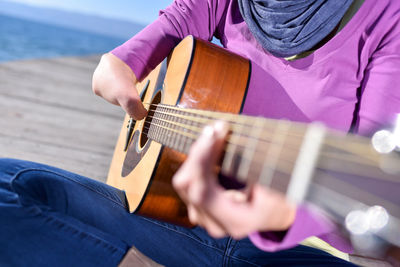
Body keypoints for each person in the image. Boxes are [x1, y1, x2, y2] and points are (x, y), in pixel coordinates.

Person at [1, 0, 399, 266]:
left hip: (298, 252)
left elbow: (374, 178)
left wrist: (278, 214)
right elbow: (174, 23)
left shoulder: (387, 15)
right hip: (189, 227)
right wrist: (119, 63)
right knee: (7, 185)